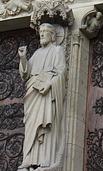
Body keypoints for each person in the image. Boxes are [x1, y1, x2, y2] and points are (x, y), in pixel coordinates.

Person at [18, 23, 66, 171]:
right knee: (31, 124)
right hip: (33, 91)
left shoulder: (57, 50)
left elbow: (61, 72)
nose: (42, 34)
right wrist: (23, 58)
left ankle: (45, 160)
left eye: (45, 31)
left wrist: (50, 84)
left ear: (53, 35)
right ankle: (28, 159)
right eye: (41, 32)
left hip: (46, 92)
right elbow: (26, 74)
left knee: (45, 124)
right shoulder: (37, 53)